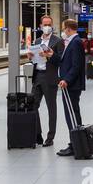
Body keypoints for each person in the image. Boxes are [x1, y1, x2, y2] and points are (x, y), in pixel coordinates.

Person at [30, 15, 62, 147]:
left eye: (49, 24)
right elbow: (34, 60)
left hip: (50, 77)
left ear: (52, 26)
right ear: (40, 26)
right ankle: (38, 135)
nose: (47, 27)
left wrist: (50, 55)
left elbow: (60, 60)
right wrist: (30, 57)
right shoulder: (37, 41)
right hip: (38, 76)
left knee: (51, 108)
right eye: (45, 24)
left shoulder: (57, 41)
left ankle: (50, 136)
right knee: (33, 105)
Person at [56, 19, 86, 157]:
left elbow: (76, 65)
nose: (63, 31)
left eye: (63, 29)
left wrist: (66, 80)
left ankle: (76, 145)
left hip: (71, 85)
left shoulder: (76, 42)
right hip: (70, 85)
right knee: (72, 114)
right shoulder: (73, 42)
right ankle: (75, 142)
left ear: (68, 29)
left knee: (72, 115)